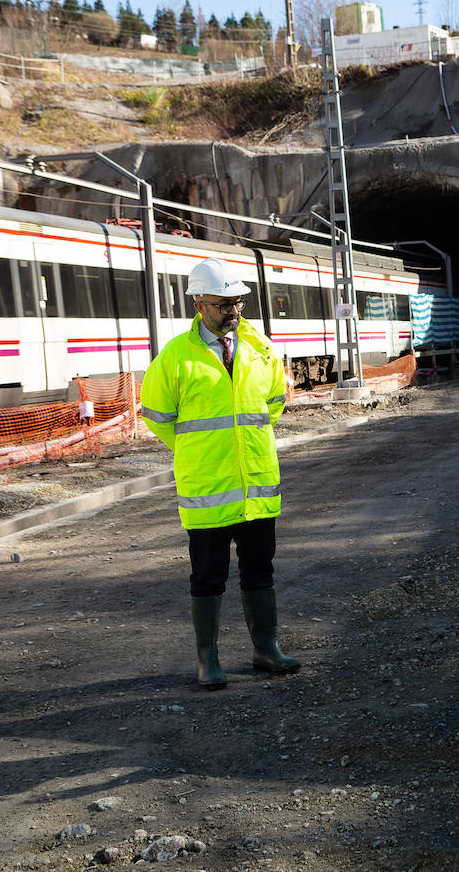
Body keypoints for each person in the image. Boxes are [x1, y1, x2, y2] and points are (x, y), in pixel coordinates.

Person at [140, 257, 299, 690]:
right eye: (223, 303)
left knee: (259, 570)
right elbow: (157, 416)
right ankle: (207, 662)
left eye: (239, 303)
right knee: (208, 576)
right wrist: (196, 449)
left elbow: (274, 401)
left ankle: (267, 649)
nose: (233, 311)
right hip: (208, 489)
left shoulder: (259, 347)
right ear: (198, 304)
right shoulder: (175, 357)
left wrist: (242, 445)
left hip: (255, 485)